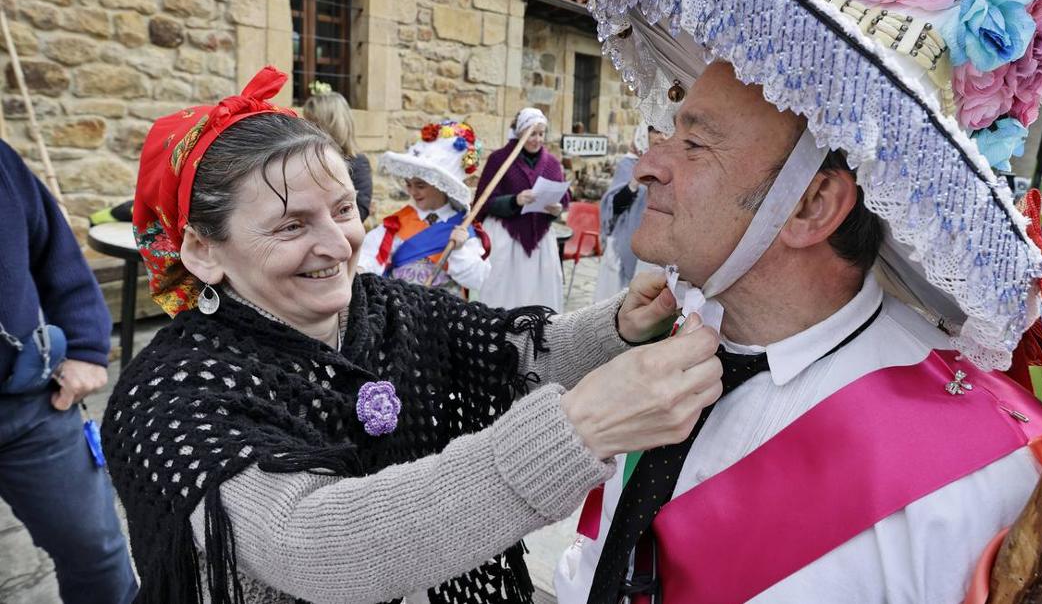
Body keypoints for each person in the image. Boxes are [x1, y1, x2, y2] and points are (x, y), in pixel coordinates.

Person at [557, 0, 1042, 603]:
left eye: (694, 143)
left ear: (812, 206)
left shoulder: (981, 478)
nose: (645, 166)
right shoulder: (660, 373)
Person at [102, 66, 728, 604]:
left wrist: (621, 324)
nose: (336, 244)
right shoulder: (168, 398)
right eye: (291, 225)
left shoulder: (384, 310)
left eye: (344, 210)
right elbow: (311, 541)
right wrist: (575, 433)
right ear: (203, 251)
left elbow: (508, 356)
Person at [0, 139, 138, 604]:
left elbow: (54, 252)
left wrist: (83, 346)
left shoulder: (1, 162)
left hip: (30, 404)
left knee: (95, 551)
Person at [357, 120, 491, 297]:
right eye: (409, 184)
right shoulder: (396, 223)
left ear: (440, 185)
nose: (413, 192)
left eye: (420, 185)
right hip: (404, 312)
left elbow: (478, 279)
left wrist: (458, 250)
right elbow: (371, 256)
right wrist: (360, 269)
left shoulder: (462, 226)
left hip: (445, 315)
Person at [475, 107, 569, 312]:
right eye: (531, 133)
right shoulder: (499, 160)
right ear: (519, 133)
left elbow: (562, 200)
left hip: (541, 240)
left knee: (539, 294)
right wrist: (515, 200)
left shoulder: (552, 164)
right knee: (503, 294)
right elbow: (485, 201)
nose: (537, 139)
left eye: (541, 133)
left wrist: (556, 210)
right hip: (506, 236)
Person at [592, 124, 665, 302]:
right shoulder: (628, 164)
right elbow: (614, 206)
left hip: (656, 245)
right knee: (619, 300)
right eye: (656, 132)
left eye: (666, 131)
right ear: (644, 134)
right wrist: (634, 184)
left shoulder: (669, 167)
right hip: (625, 242)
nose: (662, 137)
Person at [303, 81, 373, 221]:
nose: (306, 128)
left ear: (329, 125)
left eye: (312, 123)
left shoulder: (357, 163)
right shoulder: (305, 157)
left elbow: (359, 213)